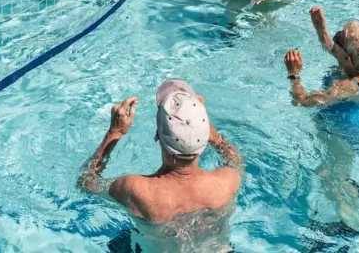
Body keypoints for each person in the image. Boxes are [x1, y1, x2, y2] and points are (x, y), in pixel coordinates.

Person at [78, 80, 242, 249]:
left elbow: (86, 182)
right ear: (205, 134)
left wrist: (115, 132)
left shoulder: (137, 190)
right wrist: (213, 135)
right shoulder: (228, 181)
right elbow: (235, 159)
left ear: (157, 134)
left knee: (117, 242)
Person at [283, 7, 359, 232]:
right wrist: (321, 30)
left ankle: (350, 226)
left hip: (340, 136)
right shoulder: (357, 66)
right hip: (347, 130)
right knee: (333, 173)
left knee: (330, 178)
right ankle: (349, 190)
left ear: (347, 57)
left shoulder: (346, 87)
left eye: (336, 49)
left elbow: (300, 101)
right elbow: (331, 48)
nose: (331, 49)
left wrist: (294, 75)